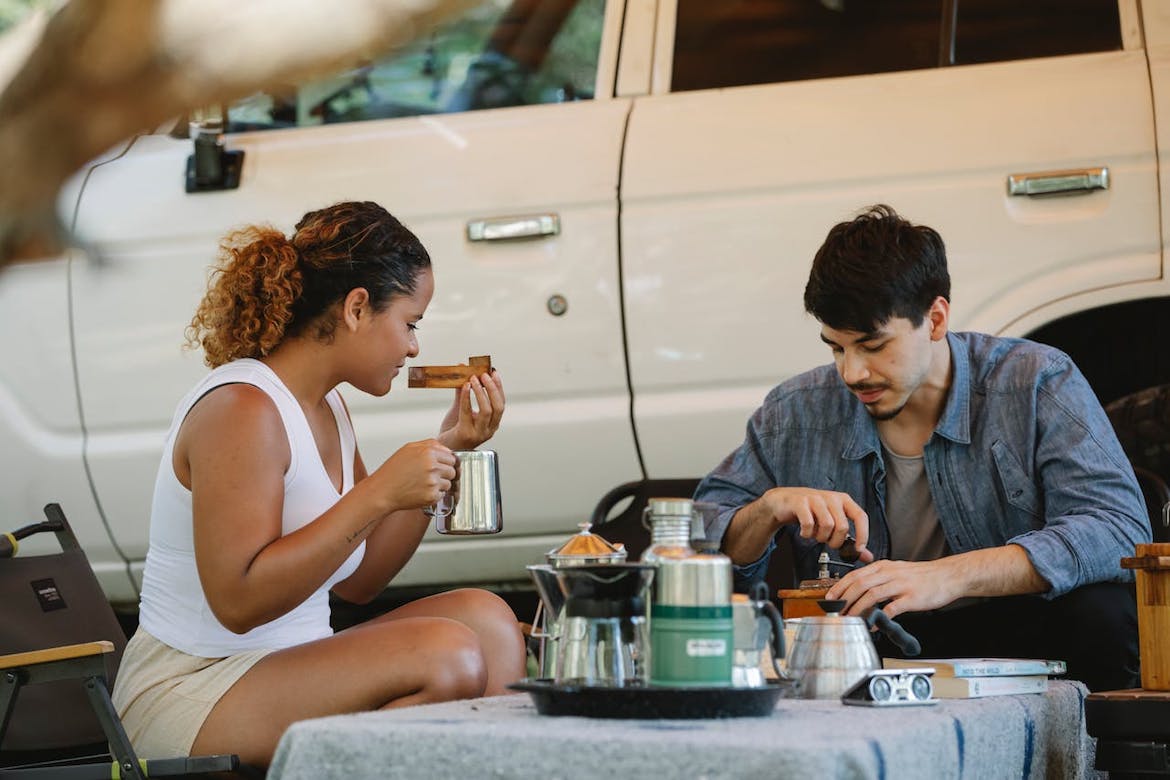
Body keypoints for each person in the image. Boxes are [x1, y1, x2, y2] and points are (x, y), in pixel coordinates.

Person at [111, 201, 526, 764]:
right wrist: (378, 492)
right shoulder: (243, 408)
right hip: (192, 686)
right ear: (357, 308)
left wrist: (446, 448)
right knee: (446, 654)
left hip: (286, 664)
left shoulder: (328, 405)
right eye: (410, 323)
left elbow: (360, 581)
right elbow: (237, 601)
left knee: (489, 622)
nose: (413, 347)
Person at [695, 204, 1150, 692]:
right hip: (868, 645)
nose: (852, 372)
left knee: (1103, 612)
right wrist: (767, 509)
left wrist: (947, 577)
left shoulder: (1035, 381)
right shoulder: (793, 411)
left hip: (1023, 633)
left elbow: (1117, 528)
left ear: (935, 319)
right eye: (836, 348)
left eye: (873, 346)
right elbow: (696, 543)